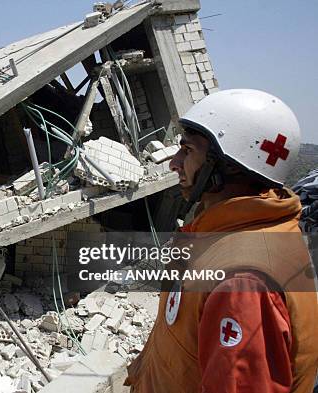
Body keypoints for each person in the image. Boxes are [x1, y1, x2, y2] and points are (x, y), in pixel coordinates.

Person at [124, 89, 318, 392]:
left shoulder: (241, 283)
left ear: (227, 164)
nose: (174, 163)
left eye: (187, 151)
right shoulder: (248, 229)